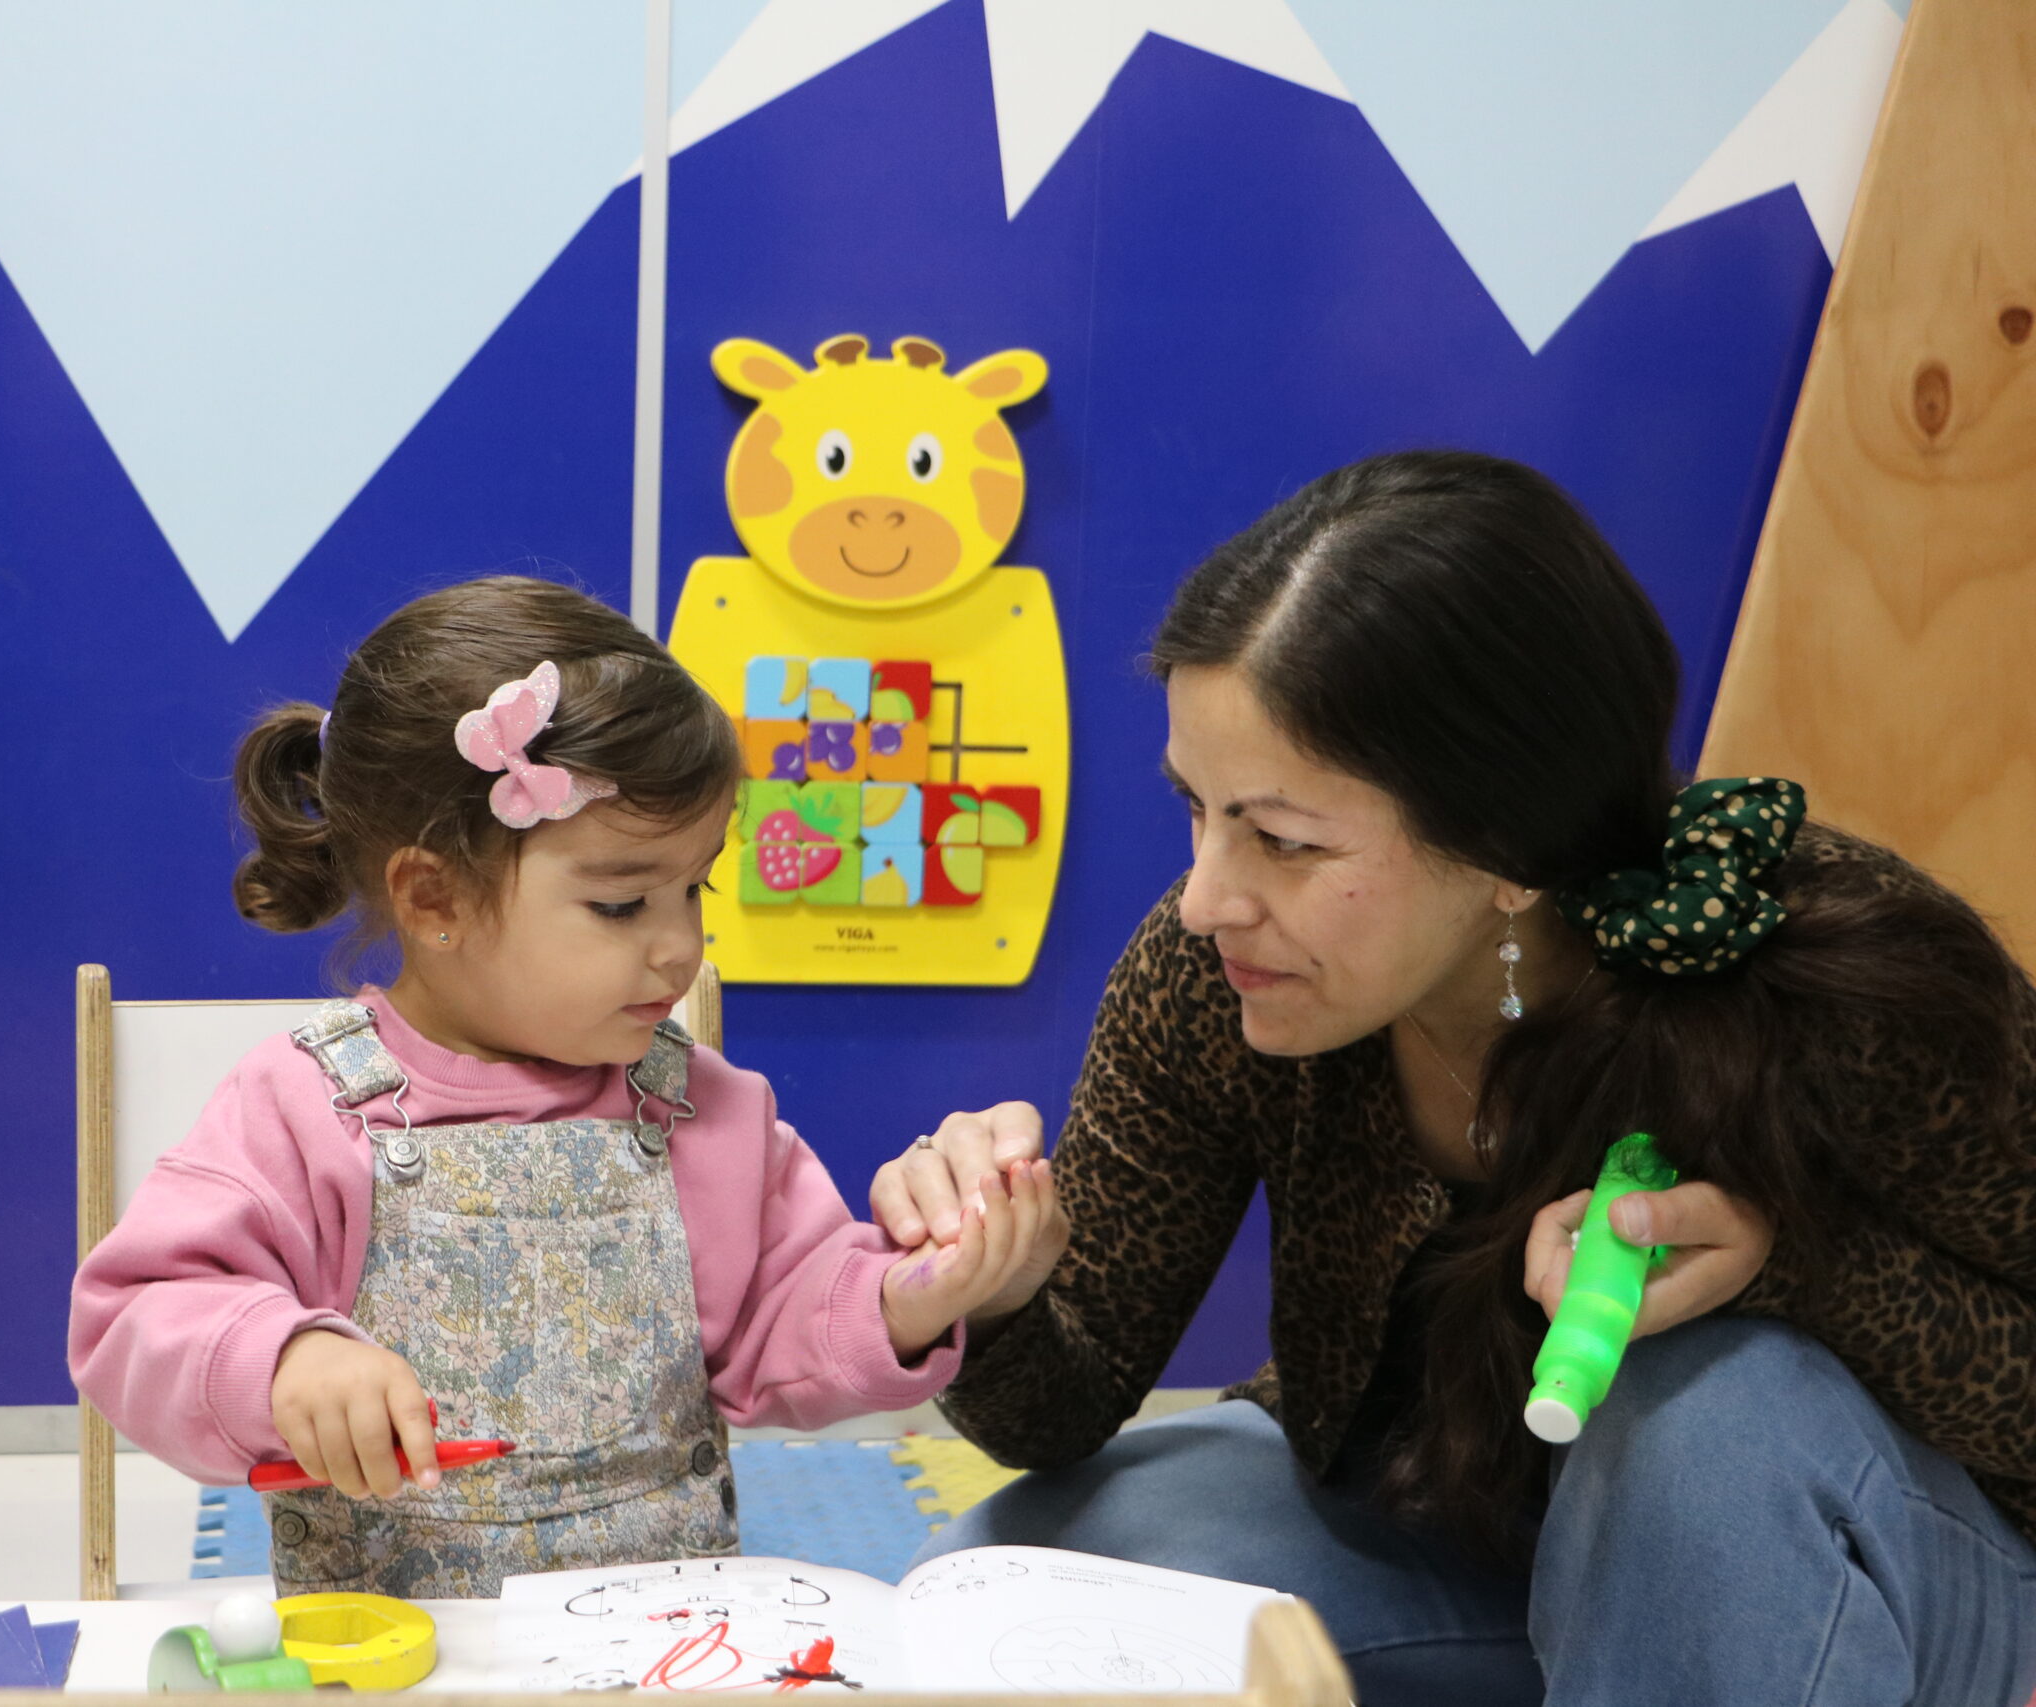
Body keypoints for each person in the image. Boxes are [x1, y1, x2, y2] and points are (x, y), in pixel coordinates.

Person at [872, 453, 2036, 1707]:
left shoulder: (1838, 975)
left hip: (1871, 1570)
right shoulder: (1216, 971)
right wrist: (985, 1285)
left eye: (1283, 837)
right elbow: (1065, 1398)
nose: (1208, 895)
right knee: (1005, 1596)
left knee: (1699, 1414)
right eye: (1195, 810)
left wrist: (1793, 1269)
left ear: (1510, 848)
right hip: (1462, 1532)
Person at [71, 575, 1061, 1597]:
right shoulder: (305, 1108)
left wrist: (911, 1296)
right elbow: (135, 1314)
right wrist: (280, 1362)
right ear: (433, 894)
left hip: (664, 1639)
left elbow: (788, 1311)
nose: (679, 946)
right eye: (623, 902)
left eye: (695, 887)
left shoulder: (704, 1112)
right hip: (406, 1662)